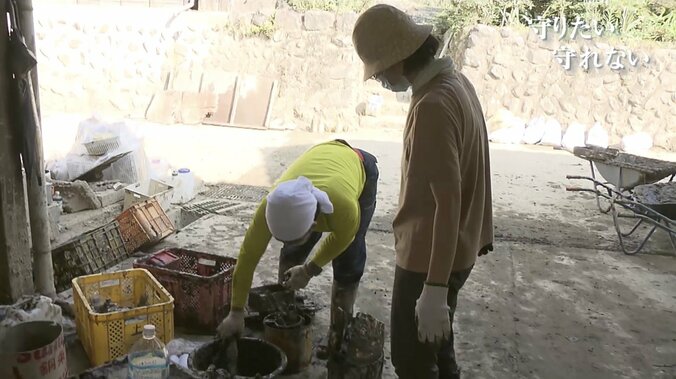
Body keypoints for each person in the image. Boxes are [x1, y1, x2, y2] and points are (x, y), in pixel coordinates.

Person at [352, 5, 494, 379]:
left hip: (429, 258)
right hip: (456, 250)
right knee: (437, 345)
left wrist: (433, 287)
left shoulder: (433, 105)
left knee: (412, 361)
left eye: (379, 69)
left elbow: (449, 201)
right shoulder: (456, 83)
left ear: (399, 59)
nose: (380, 78)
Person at [216, 139, 379, 359]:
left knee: (349, 258)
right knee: (292, 253)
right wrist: (236, 312)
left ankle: (339, 336)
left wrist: (310, 269)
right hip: (321, 154)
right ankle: (287, 317)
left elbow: (343, 239)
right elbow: (247, 257)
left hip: (360, 166)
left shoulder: (344, 207)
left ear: (314, 226)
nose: (285, 242)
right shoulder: (271, 206)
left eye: (294, 237)